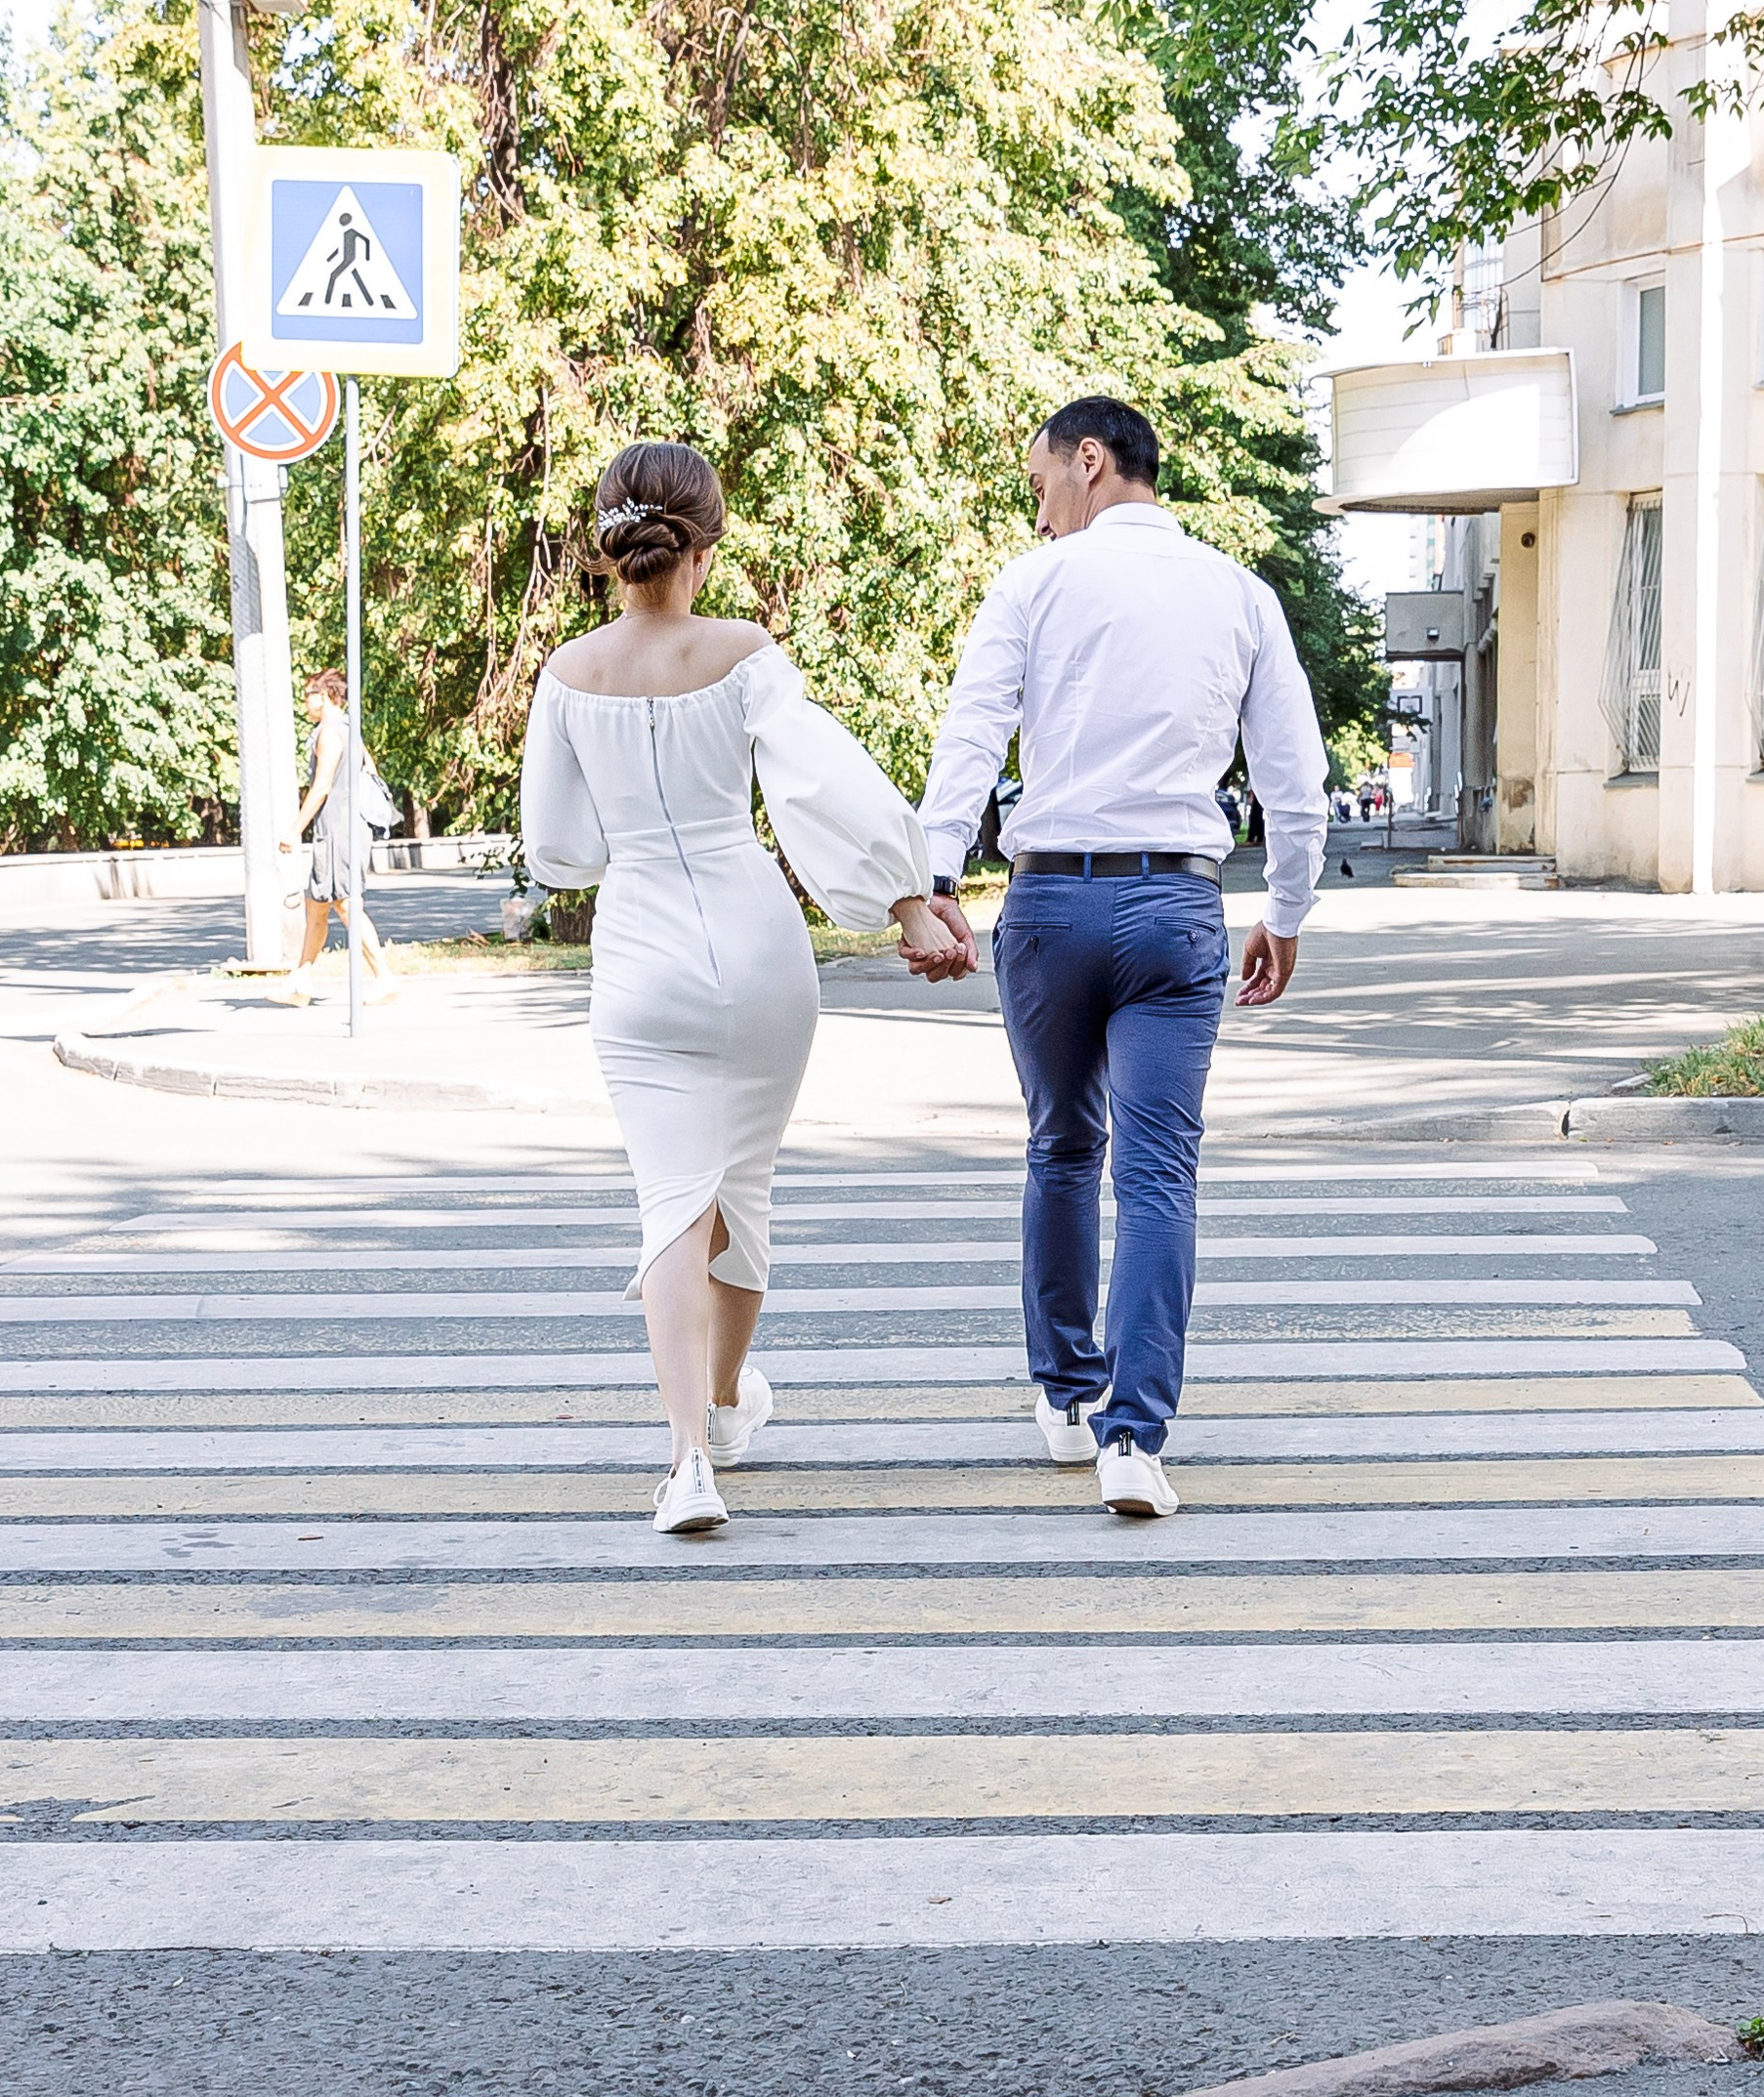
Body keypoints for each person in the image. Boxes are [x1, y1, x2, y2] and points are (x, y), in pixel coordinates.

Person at [521, 441, 959, 1535]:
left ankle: (686, 1464)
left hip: (641, 952)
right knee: (742, 1193)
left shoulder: (568, 674)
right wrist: (906, 897)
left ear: (613, 544)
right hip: (759, 948)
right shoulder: (746, 652)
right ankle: (721, 1408)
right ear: (705, 546)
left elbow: (558, 850)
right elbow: (824, 777)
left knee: (673, 1199)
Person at [911, 394, 1327, 1522]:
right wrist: (1284, 911)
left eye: (1043, 480)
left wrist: (935, 881)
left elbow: (970, 732)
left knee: (1060, 1146)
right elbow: (1294, 775)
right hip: (1176, 909)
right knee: (1157, 1169)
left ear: (1090, 462)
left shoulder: (1032, 584)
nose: (1040, 510)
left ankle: (1062, 1392)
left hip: (1049, 903)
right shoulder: (1240, 594)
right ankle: (1133, 1437)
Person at [285, 669, 398, 1004]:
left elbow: (321, 787)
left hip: (337, 831)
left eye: (309, 695)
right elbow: (370, 772)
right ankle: (301, 980)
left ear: (326, 696)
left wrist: (294, 830)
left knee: (346, 904)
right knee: (317, 904)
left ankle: (384, 978)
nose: (305, 702)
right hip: (349, 827)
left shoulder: (329, 734)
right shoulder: (352, 731)